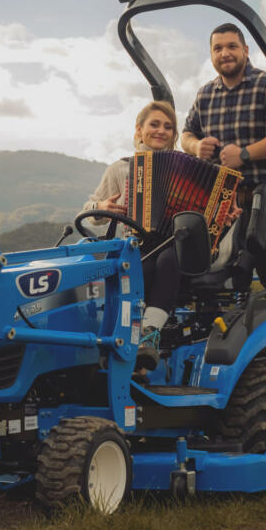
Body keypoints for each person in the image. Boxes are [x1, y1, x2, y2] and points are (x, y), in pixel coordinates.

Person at [180, 22, 266, 313]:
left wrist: (244, 154)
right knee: (203, 273)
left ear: (245, 50)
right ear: (211, 55)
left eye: (231, 46)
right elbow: (185, 135)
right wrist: (196, 146)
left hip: (261, 196)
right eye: (218, 48)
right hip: (216, 200)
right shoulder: (205, 94)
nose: (225, 53)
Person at [81, 100, 181, 369]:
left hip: (173, 245)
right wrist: (100, 207)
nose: (161, 131)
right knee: (141, 268)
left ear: (174, 135)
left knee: (168, 260)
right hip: (136, 246)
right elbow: (90, 212)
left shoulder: (184, 170)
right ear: (139, 130)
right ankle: (122, 349)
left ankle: (150, 335)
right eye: (154, 124)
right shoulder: (120, 169)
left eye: (168, 127)